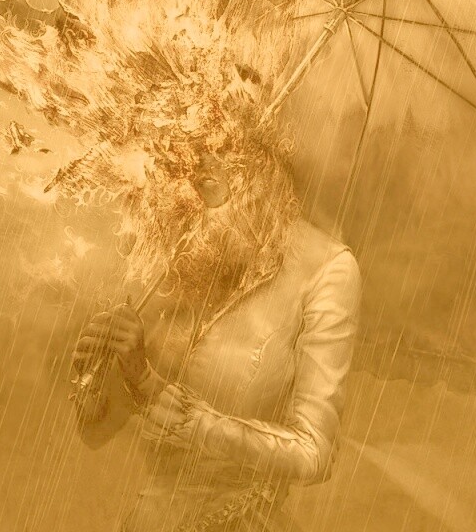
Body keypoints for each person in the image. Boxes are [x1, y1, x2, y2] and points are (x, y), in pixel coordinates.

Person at [71, 148, 362, 531]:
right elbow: (94, 434)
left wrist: (180, 410)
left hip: (245, 521)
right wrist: (102, 374)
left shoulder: (326, 268)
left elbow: (313, 452)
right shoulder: (182, 247)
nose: (193, 191)